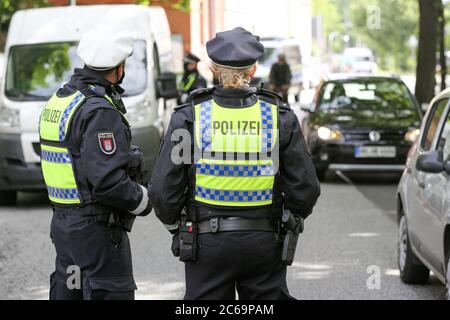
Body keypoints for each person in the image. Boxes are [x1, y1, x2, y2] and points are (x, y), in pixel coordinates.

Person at [149, 27, 320, 300]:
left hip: (206, 243)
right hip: (264, 243)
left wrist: (176, 225)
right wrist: (292, 218)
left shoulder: (190, 117)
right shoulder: (278, 117)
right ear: (252, 70)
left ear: (214, 69)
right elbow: (306, 188)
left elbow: (162, 191)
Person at [39, 27, 152, 300]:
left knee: (71, 293)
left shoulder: (62, 100)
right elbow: (108, 182)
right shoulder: (99, 110)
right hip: (96, 231)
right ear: (118, 68)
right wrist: (144, 200)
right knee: (109, 292)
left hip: (65, 225)